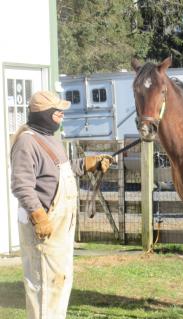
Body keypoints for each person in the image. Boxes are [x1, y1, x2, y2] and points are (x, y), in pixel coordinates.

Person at [10, 91, 113, 319]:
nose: (62, 116)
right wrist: (39, 216)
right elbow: (21, 185)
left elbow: (62, 170)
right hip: (43, 231)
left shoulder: (49, 139)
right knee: (44, 290)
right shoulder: (27, 142)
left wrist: (90, 163)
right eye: (58, 112)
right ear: (44, 114)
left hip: (59, 231)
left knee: (58, 286)